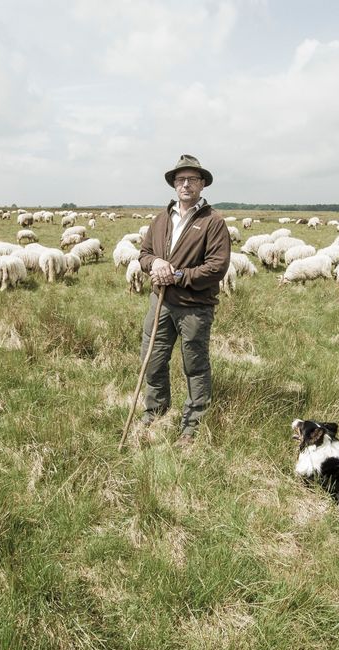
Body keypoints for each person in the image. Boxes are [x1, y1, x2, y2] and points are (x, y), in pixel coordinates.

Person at [137, 154, 232, 445]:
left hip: (194, 307)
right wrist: (154, 264)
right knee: (152, 358)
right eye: (181, 179)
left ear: (202, 184)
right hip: (160, 302)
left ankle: (192, 426)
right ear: (174, 184)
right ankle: (156, 411)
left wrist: (177, 275)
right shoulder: (161, 219)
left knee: (195, 365)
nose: (186, 184)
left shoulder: (213, 222)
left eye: (192, 179)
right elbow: (143, 254)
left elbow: (217, 267)